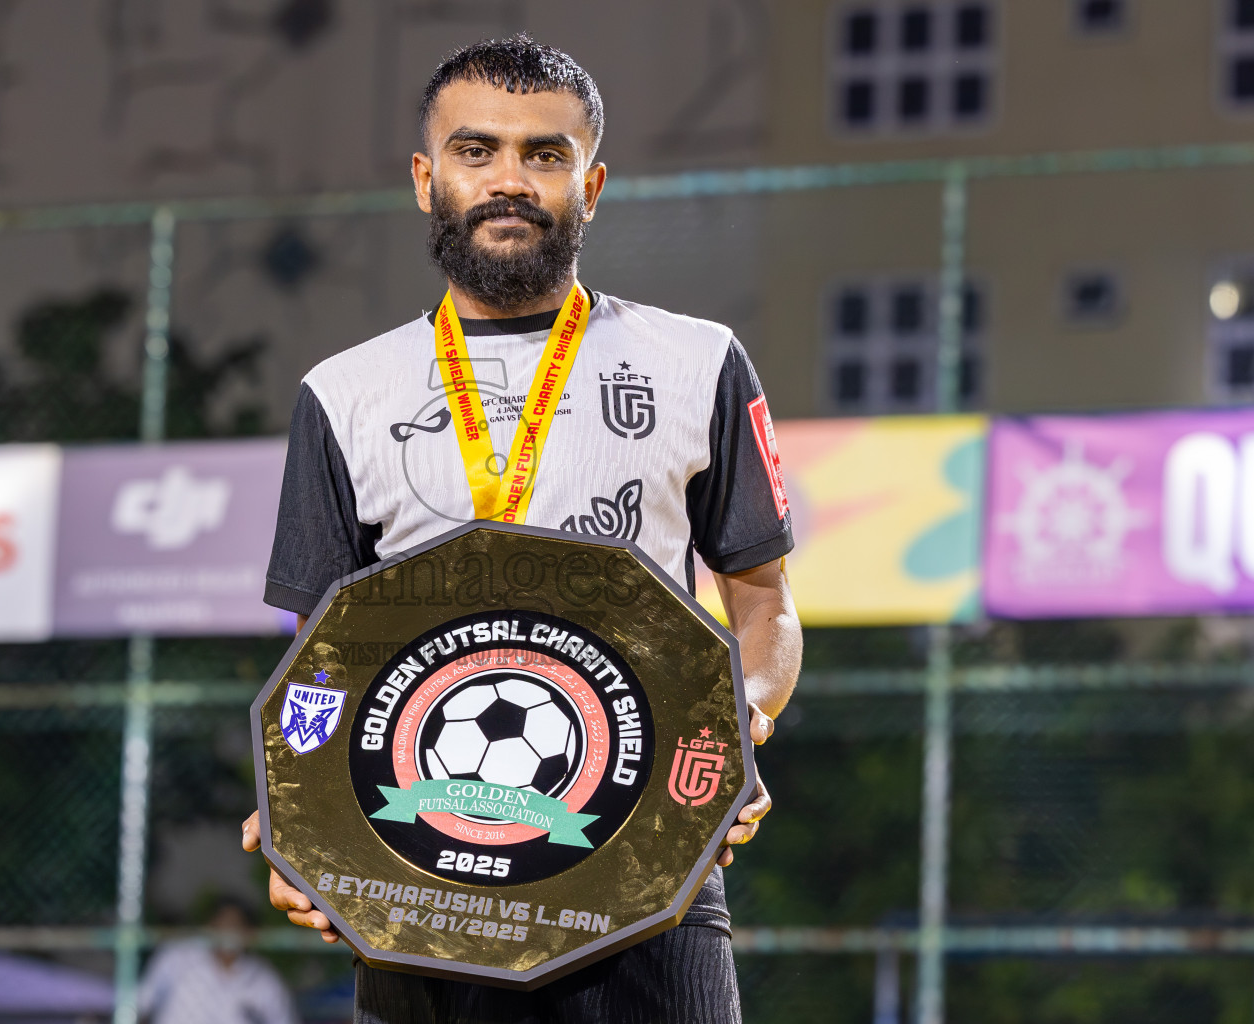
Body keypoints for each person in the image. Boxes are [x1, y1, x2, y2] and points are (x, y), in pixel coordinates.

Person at [242, 34, 802, 1024]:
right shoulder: (343, 394)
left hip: (645, 873)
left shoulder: (698, 362)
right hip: (421, 882)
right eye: (477, 151)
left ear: (592, 181)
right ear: (427, 178)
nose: (510, 179)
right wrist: (301, 812)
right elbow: (321, 667)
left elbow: (766, 611)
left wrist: (736, 727)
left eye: (544, 154)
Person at [137, 897, 300, 1024]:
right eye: (222, 923)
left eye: (235, 925)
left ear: (249, 933)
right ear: (210, 925)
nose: (228, 931)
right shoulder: (177, 956)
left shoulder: (263, 979)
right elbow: (140, 1005)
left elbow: (284, 1019)